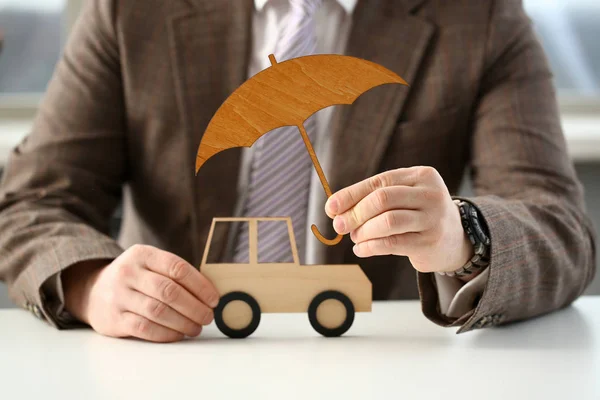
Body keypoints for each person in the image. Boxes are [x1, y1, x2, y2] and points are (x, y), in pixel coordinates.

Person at [0, 0, 596, 343]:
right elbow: (31, 200)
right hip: (175, 357)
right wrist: (92, 283)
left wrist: (461, 235)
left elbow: (561, 228)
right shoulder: (133, 10)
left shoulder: (480, 16)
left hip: (380, 366)